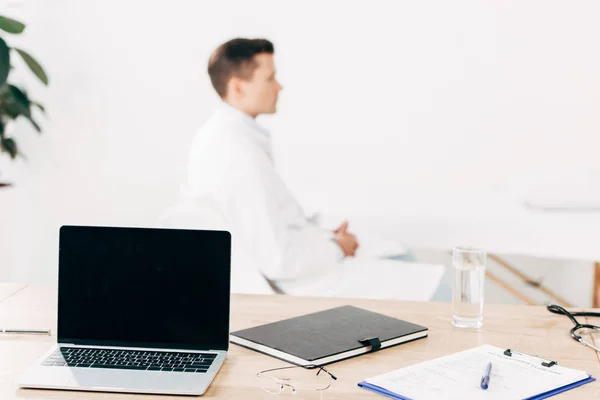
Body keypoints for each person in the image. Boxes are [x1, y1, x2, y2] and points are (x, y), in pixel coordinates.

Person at [182, 38, 444, 300]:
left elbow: (276, 227)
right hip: (302, 282)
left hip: (306, 261)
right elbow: (278, 260)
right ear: (238, 88)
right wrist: (337, 247)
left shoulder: (229, 138)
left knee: (402, 255)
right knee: (439, 288)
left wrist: (328, 238)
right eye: (270, 78)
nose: (279, 87)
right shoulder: (233, 152)